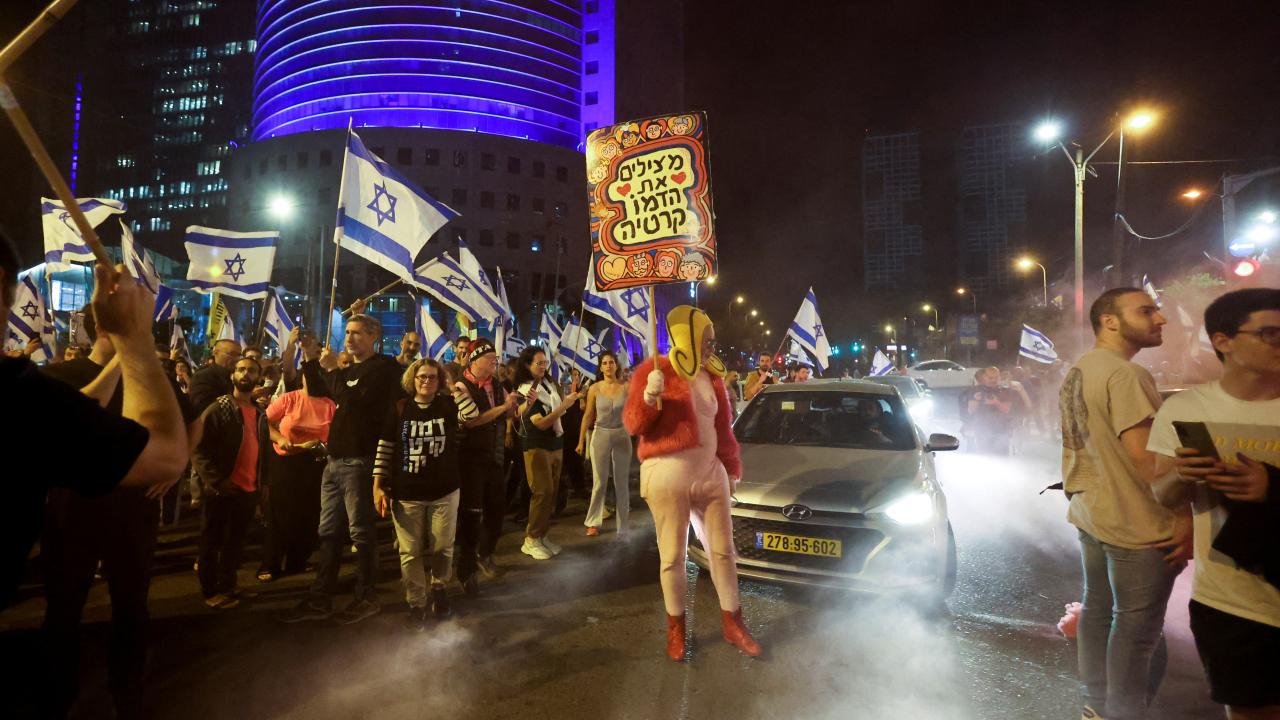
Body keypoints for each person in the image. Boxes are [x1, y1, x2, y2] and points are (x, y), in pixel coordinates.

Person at [37, 300, 197, 719]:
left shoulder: (151, 379)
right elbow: (77, 414)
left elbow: (188, 421)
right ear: (106, 329)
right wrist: (127, 355)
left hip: (132, 511)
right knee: (64, 608)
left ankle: (128, 697)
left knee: (132, 608)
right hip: (73, 512)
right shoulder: (60, 376)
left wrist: (176, 466)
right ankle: (58, 698)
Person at [1059, 287, 1190, 720]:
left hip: (1093, 515)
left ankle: (1097, 708)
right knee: (1136, 633)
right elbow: (1149, 462)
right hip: (1136, 524)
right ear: (1110, 321)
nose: (1161, 318)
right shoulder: (1126, 375)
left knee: (1098, 613)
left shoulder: (1081, 369)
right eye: (1146, 311)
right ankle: (1123, 714)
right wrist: (1184, 515)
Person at [1148, 289, 1280, 719]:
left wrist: (1271, 486)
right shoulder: (1186, 409)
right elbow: (1163, 495)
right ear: (1223, 341)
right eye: (1271, 333)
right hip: (1229, 601)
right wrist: (1182, 475)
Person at [623, 305, 761, 661]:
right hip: (667, 476)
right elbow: (635, 424)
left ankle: (733, 623)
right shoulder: (655, 370)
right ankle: (676, 629)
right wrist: (648, 397)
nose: (712, 346)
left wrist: (731, 468)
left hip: (710, 474)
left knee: (724, 552)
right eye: (706, 340)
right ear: (688, 337)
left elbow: (723, 429)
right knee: (672, 556)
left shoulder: (711, 376)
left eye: (713, 340)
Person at [283, 313, 406, 625]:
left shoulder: (383, 369)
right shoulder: (348, 370)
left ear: (374, 336)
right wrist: (310, 357)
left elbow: (353, 400)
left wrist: (334, 370)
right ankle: (320, 597)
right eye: (348, 332)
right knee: (328, 532)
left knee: (360, 533)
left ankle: (366, 597)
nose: (349, 338)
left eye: (356, 333)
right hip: (334, 461)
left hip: (360, 461)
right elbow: (317, 390)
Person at [374, 358, 475, 629]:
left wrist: (454, 389)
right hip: (407, 493)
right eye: (422, 376)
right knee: (410, 552)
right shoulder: (400, 407)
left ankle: (439, 588)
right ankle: (416, 602)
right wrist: (377, 485)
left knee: (443, 547)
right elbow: (385, 446)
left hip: (444, 492)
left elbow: (471, 416)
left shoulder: (448, 405)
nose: (427, 381)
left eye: (432, 377)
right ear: (413, 379)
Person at [191, 357, 266, 609]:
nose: (245, 374)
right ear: (232, 375)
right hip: (221, 490)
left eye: (251, 371)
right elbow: (198, 448)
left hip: (247, 490)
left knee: (235, 542)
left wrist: (263, 484)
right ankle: (210, 591)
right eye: (241, 369)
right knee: (211, 542)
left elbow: (262, 452)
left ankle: (228, 585)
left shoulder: (259, 413)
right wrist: (216, 480)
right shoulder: (219, 408)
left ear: (258, 377)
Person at [259, 335, 334, 582]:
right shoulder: (289, 398)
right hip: (286, 462)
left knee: (308, 513)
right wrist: (280, 437)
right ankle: (270, 563)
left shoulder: (329, 404)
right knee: (280, 514)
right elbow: (263, 422)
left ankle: (297, 560)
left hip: (315, 464)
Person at [454, 338, 519, 592]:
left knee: (496, 511)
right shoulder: (461, 386)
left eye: (495, 358)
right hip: (470, 461)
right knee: (471, 516)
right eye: (490, 358)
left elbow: (511, 413)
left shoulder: (497, 384)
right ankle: (466, 570)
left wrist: (520, 404)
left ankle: (485, 554)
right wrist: (503, 407)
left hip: (494, 458)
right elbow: (472, 421)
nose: (495, 362)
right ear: (475, 360)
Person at [512, 347, 582, 559]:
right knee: (542, 492)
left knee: (552, 492)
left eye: (545, 362)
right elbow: (541, 423)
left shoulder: (548, 384)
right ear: (527, 365)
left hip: (555, 442)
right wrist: (564, 406)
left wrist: (569, 397)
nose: (543, 366)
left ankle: (542, 535)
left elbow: (556, 410)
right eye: (539, 363)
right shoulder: (526, 390)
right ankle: (531, 538)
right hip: (537, 445)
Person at [578, 350, 631, 537]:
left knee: (621, 482)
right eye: (605, 363)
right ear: (600, 367)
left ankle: (623, 526)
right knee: (599, 482)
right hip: (600, 434)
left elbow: (636, 409)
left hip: (621, 435)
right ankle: (593, 522)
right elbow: (587, 415)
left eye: (611, 362)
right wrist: (580, 441)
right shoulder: (594, 388)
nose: (608, 366)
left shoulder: (626, 387)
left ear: (616, 365)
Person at [961, 367, 1016, 454]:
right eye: (990, 378)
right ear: (985, 377)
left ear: (999, 377)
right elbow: (971, 410)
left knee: (1002, 457)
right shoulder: (976, 390)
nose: (993, 380)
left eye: (995, 377)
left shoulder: (1005, 391)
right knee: (985, 457)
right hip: (982, 430)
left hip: (1002, 430)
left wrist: (996, 402)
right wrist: (977, 400)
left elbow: (1006, 409)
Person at [189, 338, 241, 412]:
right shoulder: (202, 376)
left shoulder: (237, 376)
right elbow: (204, 407)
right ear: (215, 353)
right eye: (232, 354)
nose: (237, 359)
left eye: (238, 355)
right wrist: (240, 398)